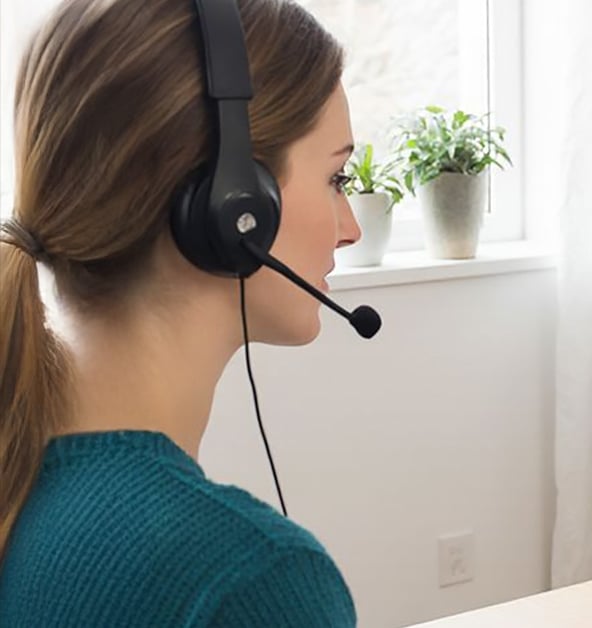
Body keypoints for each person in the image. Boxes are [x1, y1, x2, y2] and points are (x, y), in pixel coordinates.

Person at [0, 0, 362, 624]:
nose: (350, 229)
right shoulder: (246, 580)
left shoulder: (21, 477)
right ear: (235, 205)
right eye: (337, 178)